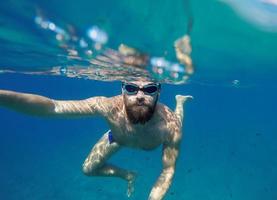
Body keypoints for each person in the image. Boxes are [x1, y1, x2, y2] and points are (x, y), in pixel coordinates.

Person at [0, 80, 192, 200]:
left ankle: (179, 102)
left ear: (158, 92)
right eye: (132, 88)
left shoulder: (169, 126)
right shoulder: (107, 105)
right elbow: (54, 107)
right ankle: (128, 175)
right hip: (117, 137)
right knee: (88, 169)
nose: (140, 96)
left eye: (149, 89)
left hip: (149, 141)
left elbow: (168, 170)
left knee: (178, 120)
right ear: (123, 89)